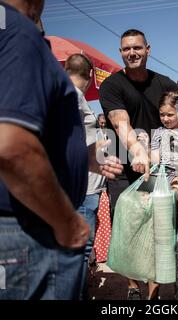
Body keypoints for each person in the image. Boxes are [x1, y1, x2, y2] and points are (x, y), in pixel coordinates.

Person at [0, 0, 121, 300]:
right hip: (31, 229)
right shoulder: (17, 32)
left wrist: (84, 157)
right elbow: (12, 147)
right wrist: (66, 222)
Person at [99, 29, 178, 300]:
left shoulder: (164, 82)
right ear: (120, 53)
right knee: (129, 227)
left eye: (137, 48)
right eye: (125, 49)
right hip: (126, 166)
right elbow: (121, 121)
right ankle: (133, 287)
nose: (131, 53)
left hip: (162, 166)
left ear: (148, 49)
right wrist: (137, 151)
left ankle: (153, 293)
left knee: (161, 229)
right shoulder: (112, 85)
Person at [64, 53, 123, 299]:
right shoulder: (72, 96)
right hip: (82, 189)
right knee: (79, 249)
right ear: (90, 75)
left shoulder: (69, 95)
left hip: (85, 187)